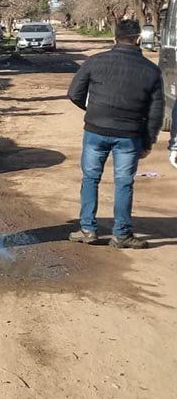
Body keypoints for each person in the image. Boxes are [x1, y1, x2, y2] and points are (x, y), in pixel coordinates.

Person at [67, 19, 162, 249]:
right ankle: (121, 235)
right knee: (124, 183)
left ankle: (88, 230)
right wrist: (148, 142)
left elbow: (74, 93)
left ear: (114, 38)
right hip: (129, 136)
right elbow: (156, 111)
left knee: (90, 179)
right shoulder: (151, 70)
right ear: (138, 39)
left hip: (95, 131)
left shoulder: (95, 62)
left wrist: (93, 112)